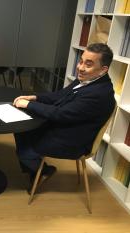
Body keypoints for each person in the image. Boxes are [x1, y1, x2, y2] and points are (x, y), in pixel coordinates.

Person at [13, 43, 116, 190]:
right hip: (66, 127)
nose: (80, 67)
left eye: (88, 64)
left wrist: (28, 105)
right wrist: (35, 97)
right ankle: (34, 168)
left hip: (72, 140)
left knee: (24, 150)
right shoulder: (87, 79)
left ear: (103, 70)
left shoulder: (99, 94)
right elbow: (59, 96)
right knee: (21, 127)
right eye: (81, 61)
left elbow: (61, 114)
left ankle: (42, 171)